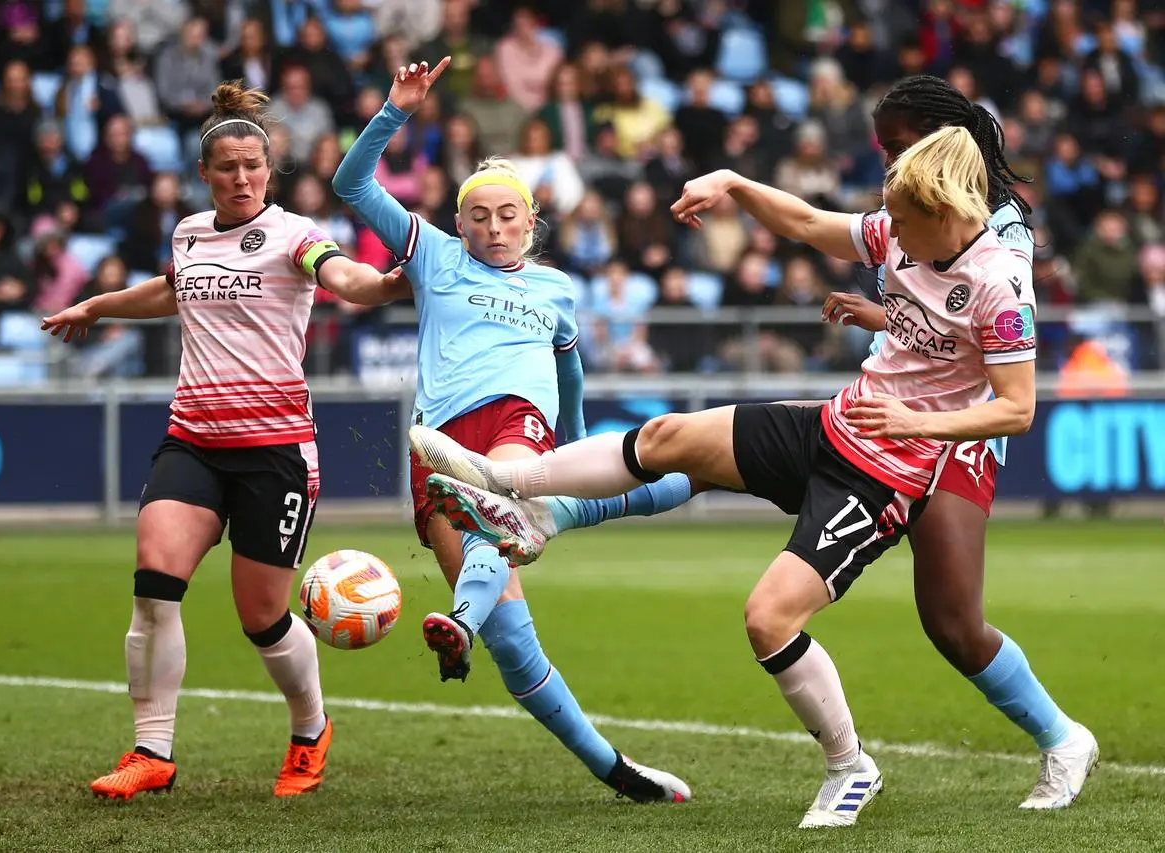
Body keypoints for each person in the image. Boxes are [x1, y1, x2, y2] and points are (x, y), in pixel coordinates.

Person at [425, 75, 1099, 814]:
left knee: (946, 621)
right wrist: (736, 184)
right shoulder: (904, 222)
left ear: (941, 203)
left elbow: (1014, 402)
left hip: (917, 451)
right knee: (669, 436)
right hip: (846, 421)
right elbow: (815, 225)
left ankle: (1017, 743)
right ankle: (518, 491)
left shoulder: (1002, 270)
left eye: (901, 216)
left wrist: (918, 421)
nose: (887, 231)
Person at [331, 59, 690, 803]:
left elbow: (570, 372)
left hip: (514, 425)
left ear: (532, 220)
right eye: (478, 216)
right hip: (441, 438)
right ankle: (616, 771)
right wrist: (396, 111)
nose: (493, 227)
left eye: (507, 215)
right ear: (457, 222)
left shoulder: (556, 288)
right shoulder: (430, 255)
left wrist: (586, 448)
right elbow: (352, 185)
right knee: (516, 648)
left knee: (514, 510)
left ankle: (462, 615)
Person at [41, 81, 410, 800]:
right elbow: (170, 290)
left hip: (274, 453)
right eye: (227, 167)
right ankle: (152, 750)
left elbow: (347, 280)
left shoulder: (296, 235)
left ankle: (310, 728)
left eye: (253, 166)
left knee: (263, 617)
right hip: (194, 439)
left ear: (269, 171)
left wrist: (395, 283)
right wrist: (98, 305)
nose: (241, 178)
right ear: (204, 174)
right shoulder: (188, 232)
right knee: (155, 579)